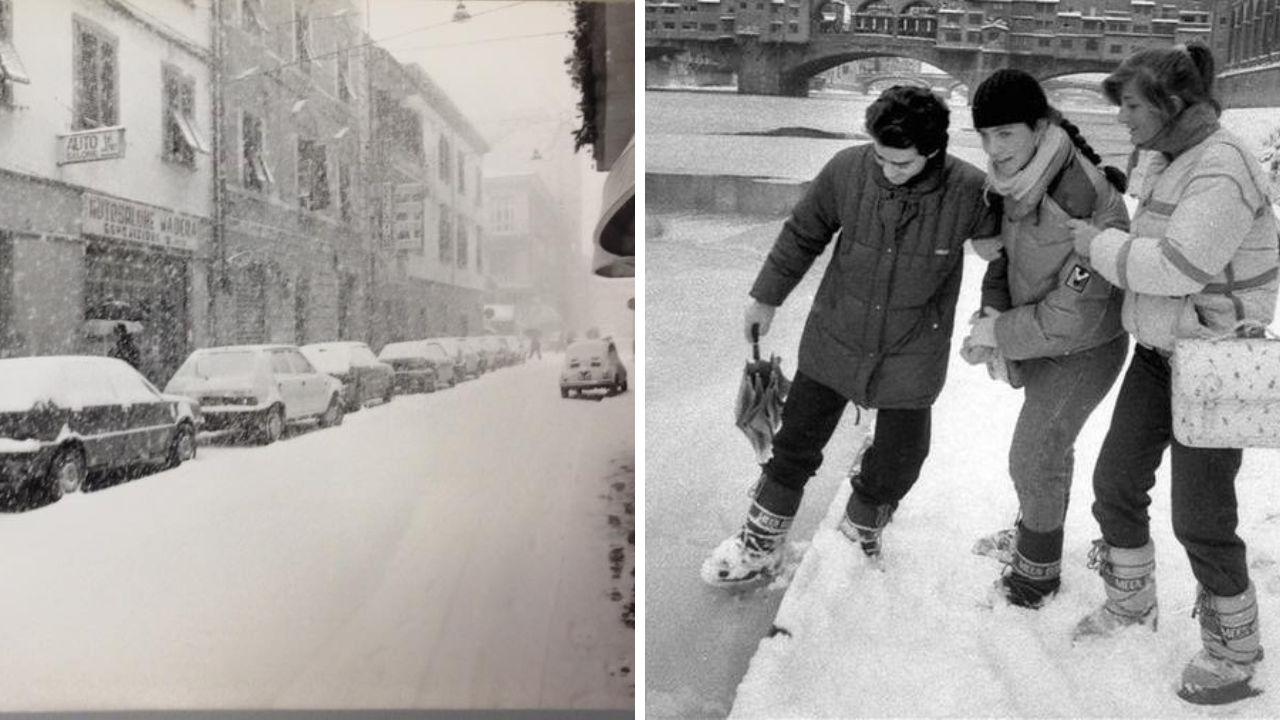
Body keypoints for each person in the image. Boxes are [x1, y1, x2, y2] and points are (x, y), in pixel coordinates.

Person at [700, 85, 1001, 588]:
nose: (887, 170)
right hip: (836, 335)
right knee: (794, 443)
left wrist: (993, 317)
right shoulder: (848, 169)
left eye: (901, 164)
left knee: (902, 456)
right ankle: (761, 542)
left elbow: (1003, 258)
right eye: (881, 158)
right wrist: (765, 297)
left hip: (913, 346)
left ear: (934, 151)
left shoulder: (970, 191)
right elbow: (803, 234)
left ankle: (857, 531)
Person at [1068, 43, 1278, 705]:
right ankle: (1131, 605)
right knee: (1116, 482)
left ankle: (1234, 654)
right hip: (1160, 351)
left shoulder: (1223, 166)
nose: (1123, 118)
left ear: (1173, 104)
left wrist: (1094, 246)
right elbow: (1153, 243)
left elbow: (1177, 266)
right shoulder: (1166, 156)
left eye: (1131, 105)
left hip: (1220, 357)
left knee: (1203, 516)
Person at [960, 69, 1130, 609]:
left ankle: (1036, 574)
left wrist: (1002, 333)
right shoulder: (1023, 177)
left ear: (1038, 126)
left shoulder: (1081, 195)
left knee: (1032, 455)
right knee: (1047, 451)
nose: (993, 148)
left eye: (1005, 134)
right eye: (985, 136)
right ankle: (1039, 530)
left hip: (1084, 349)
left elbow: (1073, 315)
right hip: (1046, 339)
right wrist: (992, 317)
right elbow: (1007, 258)